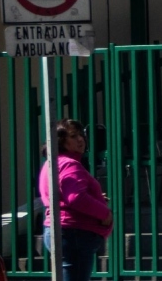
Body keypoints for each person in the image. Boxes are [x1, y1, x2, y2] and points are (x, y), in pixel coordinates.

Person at [39, 119, 112, 281]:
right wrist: (105, 214)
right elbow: (76, 198)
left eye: (81, 135)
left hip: (61, 230)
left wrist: (96, 198)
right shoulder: (70, 164)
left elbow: (63, 195)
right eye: (73, 136)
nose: (80, 139)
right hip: (74, 232)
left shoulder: (52, 163)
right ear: (61, 141)